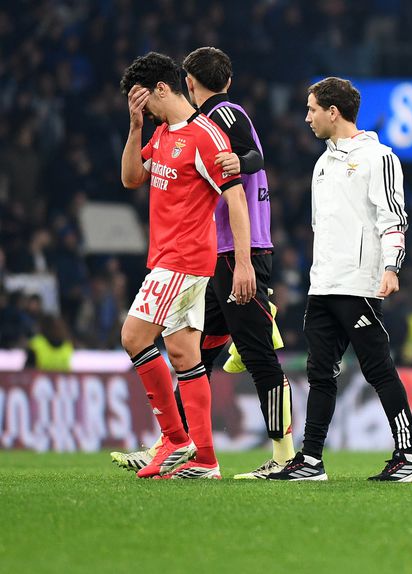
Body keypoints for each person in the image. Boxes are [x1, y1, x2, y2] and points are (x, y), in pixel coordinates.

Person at [110, 47, 295, 479]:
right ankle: (200, 455)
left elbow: (246, 172)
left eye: (144, 102)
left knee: (254, 353)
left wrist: (245, 262)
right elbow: (131, 178)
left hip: (219, 256)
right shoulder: (165, 131)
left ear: (180, 84)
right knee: (189, 355)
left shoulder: (216, 121)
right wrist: (135, 126)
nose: (144, 110)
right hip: (210, 257)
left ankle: (281, 455)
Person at [268, 77, 412, 482]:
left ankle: (409, 456)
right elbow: (320, 227)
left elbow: (393, 218)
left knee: (377, 368)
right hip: (323, 285)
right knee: (319, 373)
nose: (307, 118)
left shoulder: (379, 157)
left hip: (358, 285)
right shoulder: (322, 163)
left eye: (312, 110)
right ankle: (311, 460)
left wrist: (391, 267)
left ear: (333, 111)